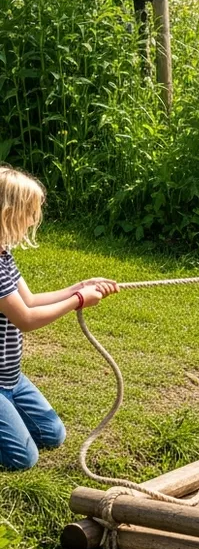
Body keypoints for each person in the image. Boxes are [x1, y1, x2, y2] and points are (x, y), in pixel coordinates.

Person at [0, 166, 117, 470]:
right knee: (22, 459)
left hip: (11, 379)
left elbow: (31, 299)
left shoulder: (4, 254)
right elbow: (26, 318)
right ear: (8, 212)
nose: (32, 220)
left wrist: (79, 287)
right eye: (30, 213)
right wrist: (79, 301)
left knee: (52, 434)